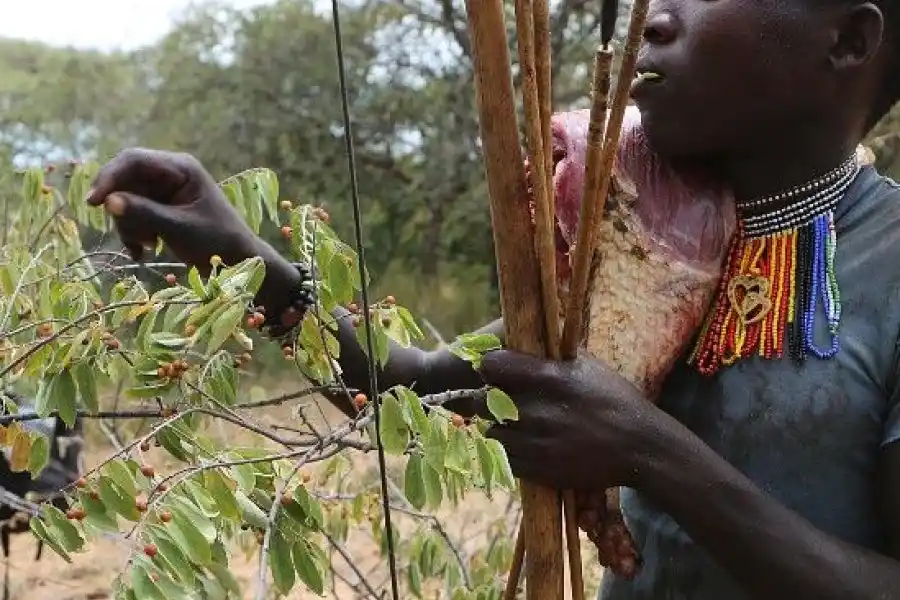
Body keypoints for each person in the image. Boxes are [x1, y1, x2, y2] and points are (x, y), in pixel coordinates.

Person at [84, 0, 900, 598]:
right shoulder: (643, 228)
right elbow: (406, 391)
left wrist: (649, 453)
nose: (653, 16)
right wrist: (240, 254)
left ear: (849, 40)